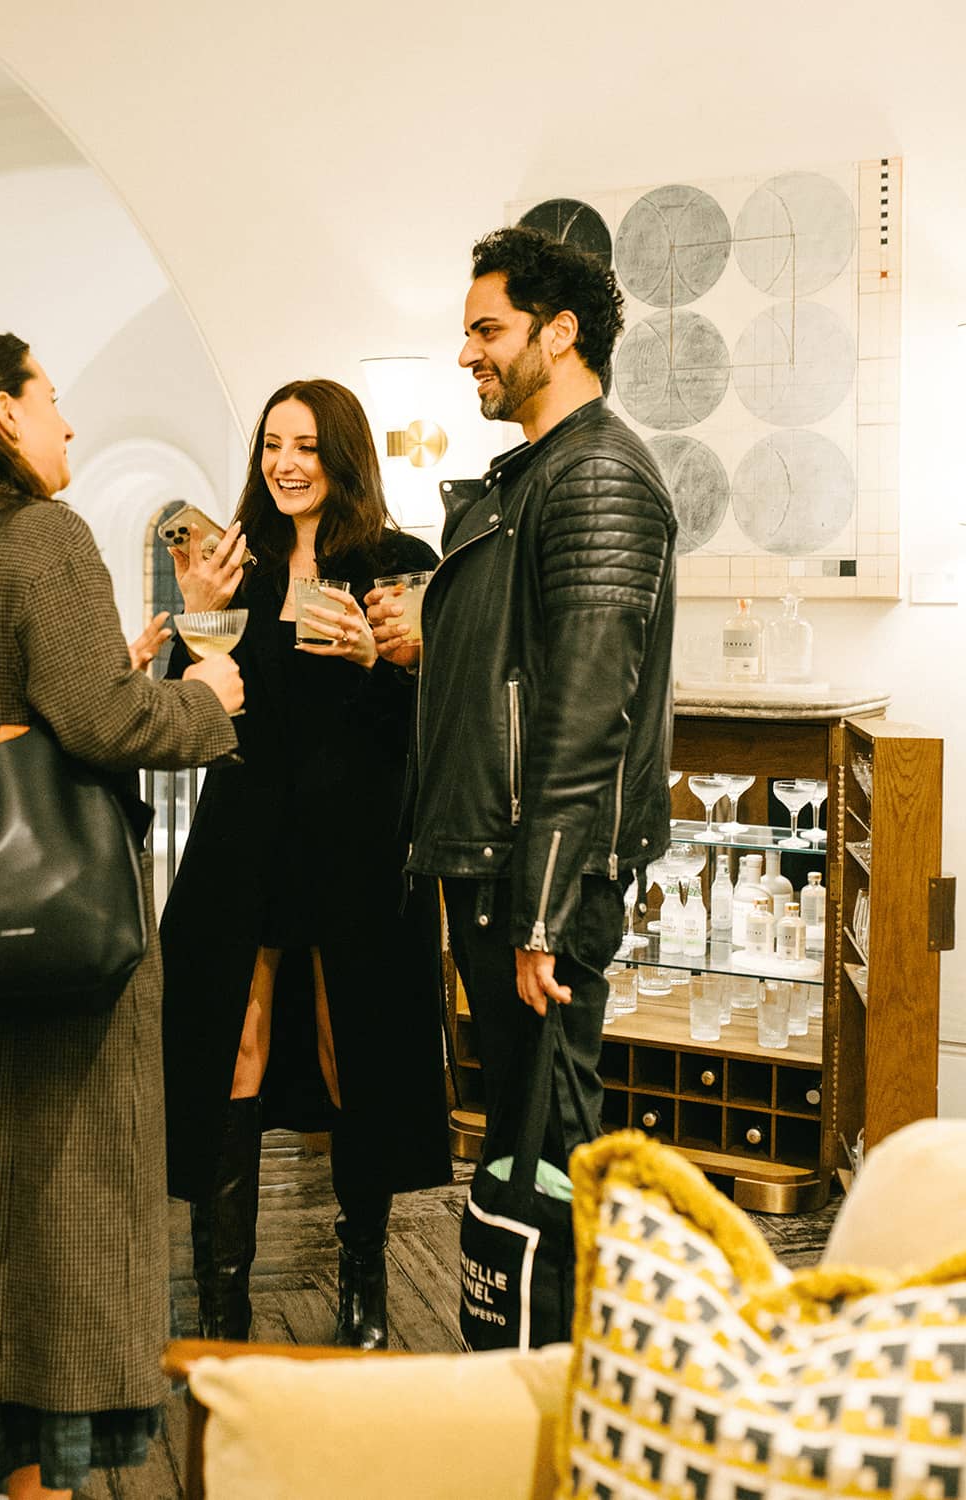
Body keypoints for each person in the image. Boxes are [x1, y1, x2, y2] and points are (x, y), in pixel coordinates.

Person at [0, 331, 243, 1500]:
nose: (69, 421)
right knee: (60, 1256)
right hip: (57, 953)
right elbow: (104, 724)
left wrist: (109, 672)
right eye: (51, 397)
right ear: (2, 414)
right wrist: (206, 698)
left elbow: (13, 708)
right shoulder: (45, 536)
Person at [369, 227, 676, 1190]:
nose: (467, 352)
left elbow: (588, 712)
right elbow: (524, 659)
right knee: (520, 1136)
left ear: (560, 332)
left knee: (552, 1144)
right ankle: (530, 1293)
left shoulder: (596, 475)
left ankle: (571, 1297)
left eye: (488, 329)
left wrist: (542, 914)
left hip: (535, 873)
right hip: (498, 860)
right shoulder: (534, 471)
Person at [159, 378, 451, 1351]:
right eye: (273, 445)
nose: (285, 464)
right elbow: (192, 710)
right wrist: (196, 613)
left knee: (348, 1045)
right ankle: (223, 1304)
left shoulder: (399, 566)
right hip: (241, 839)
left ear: (343, 457)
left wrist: (381, 660)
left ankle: (363, 1277)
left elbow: (427, 726)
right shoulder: (235, 568)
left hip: (354, 845)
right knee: (230, 1051)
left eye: (307, 447)